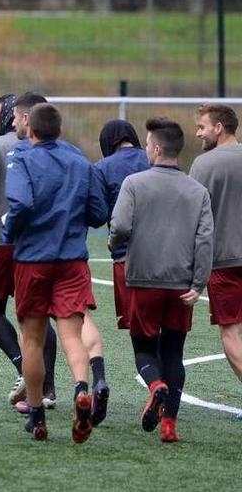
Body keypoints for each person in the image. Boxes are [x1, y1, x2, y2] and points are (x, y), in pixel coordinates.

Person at [3, 103, 108, 442]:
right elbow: (98, 212)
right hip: (72, 260)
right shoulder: (79, 160)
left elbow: (18, 204)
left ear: (30, 130)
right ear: (60, 130)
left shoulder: (22, 158)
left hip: (33, 260)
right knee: (72, 336)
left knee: (32, 339)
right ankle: (81, 387)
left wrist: (9, 234)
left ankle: (36, 416)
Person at [110, 117, 213, 442]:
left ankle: (155, 385)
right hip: (181, 284)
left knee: (143, 348)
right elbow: (205, 240)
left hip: (143, 280)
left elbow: (121, 226)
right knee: (174, 353)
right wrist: (198, 284)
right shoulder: (197, 191)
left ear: (154, 148)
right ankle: (169, 426)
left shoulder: (135, 183)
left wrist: (115, 243)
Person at [0, 93, 58, 410]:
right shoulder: (50, 148)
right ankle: (48, 389)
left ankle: (24, 368)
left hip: (4, 243)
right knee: (40, 318)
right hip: (43, 245)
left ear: (10, 116)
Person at [190, 104, 242, 385]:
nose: (198, 133)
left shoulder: (203, 165)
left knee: (231, 333)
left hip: (224, 261)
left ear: (219, 128)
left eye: (202, 127)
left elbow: (190, 215)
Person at [94, 120, 150, 331]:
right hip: (166, 255)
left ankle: (148, 365)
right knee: (166, 329)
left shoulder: (102, 167)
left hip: (125, 256)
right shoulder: (153, 158)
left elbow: (98, 214)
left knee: (138, 332)